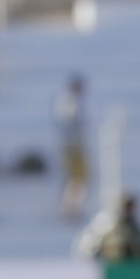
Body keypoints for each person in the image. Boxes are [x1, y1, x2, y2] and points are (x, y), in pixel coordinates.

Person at [54, 74, 89, 220]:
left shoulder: (71, 100)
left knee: (79, 178)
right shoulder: (67, 100)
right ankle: (69, 208)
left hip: (74, 143)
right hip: (71, 145)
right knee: (76, 177)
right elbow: (68, 121)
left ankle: (73, 207)